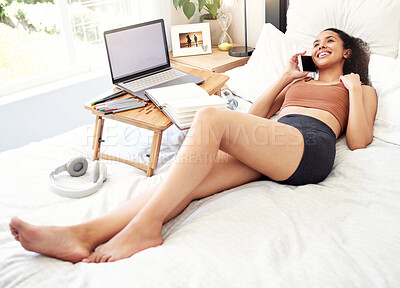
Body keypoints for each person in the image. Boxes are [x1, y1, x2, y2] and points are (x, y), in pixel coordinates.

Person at [9, 28, 377, 264]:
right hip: (275, 142)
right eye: (315, 42)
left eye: (329, 41)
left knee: (210, 118)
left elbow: (359, 141)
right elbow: (257, 117)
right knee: (183, 183)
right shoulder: (296, 83)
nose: (319, 46)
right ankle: (80, 234)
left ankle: (146, 229)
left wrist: (355, 91)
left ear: (346, 52)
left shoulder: (359, 89)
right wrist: (285, 78)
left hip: (310, 147)